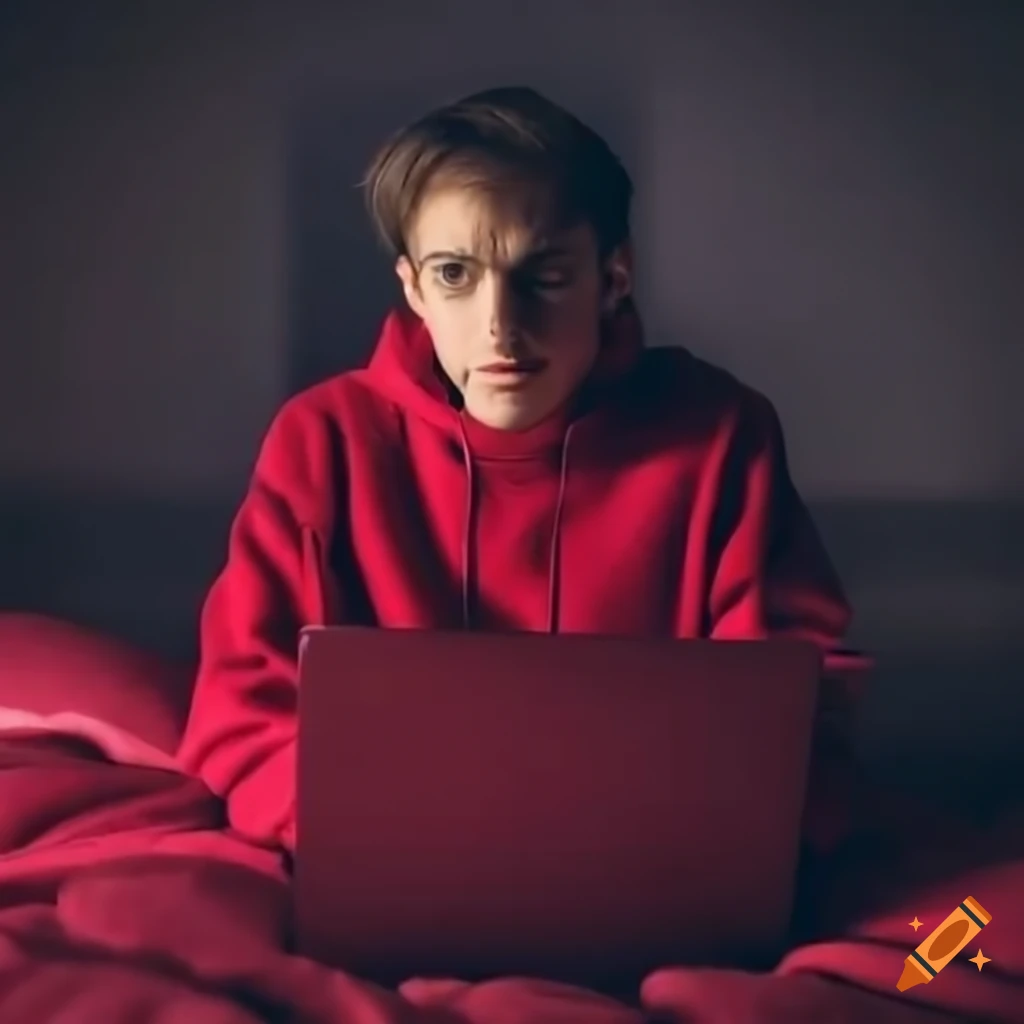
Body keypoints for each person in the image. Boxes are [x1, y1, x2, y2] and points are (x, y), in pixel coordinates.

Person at [179, 85, 857, 852]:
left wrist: (661, 839)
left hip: (654, 858)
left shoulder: (723, 433)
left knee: (952, 922)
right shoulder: (323, 439)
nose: (500, 325)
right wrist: (399, 837)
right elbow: (243, 720)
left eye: (545, 275)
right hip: (399, 856)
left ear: (613, 279)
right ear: (413, 289)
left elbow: (796, 707)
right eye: (454, 275)